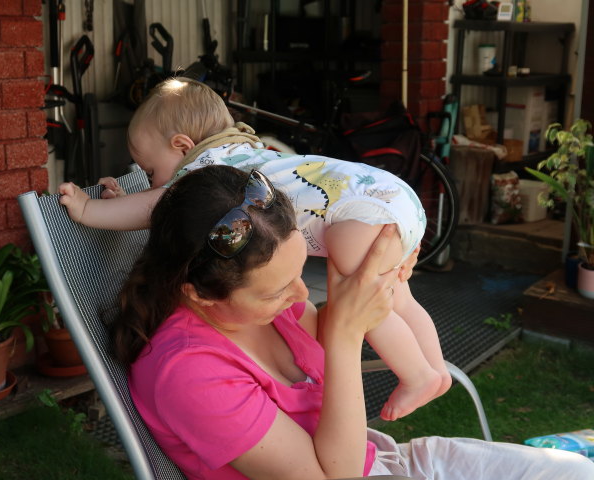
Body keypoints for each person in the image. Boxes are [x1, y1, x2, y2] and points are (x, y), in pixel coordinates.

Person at [111, 165, 594, 480]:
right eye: (278, 290)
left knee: (572, 474)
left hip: (382, 462)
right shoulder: (189, 373)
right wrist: (343, 335)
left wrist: (388, 273)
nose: (301, 296)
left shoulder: (263, 309)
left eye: (302, 272)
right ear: (197, 293)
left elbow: (357, 310)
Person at [60, 77, 450, 421]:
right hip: (391, 196)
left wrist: (89, 209)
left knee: (363, 299)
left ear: (182, 147)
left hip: (360, 214)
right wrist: (124, 199)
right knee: (401, 301)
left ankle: (416, 376)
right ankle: (436, 371)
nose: (153, 181)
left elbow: (158, 205)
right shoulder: (240, 150)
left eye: (150, 170)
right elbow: (160, 202)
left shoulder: (210, 170)